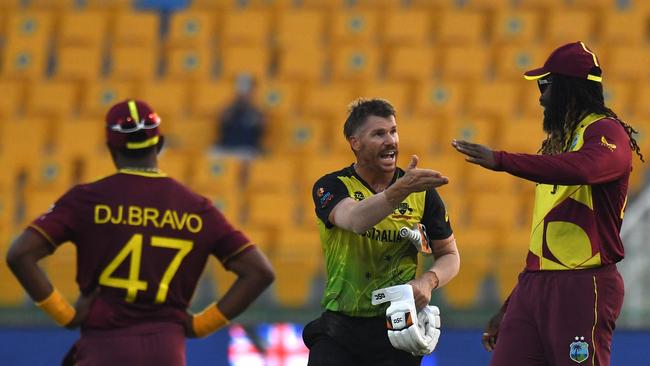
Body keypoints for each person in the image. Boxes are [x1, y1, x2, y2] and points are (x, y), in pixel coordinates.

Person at [6, 99, 275, 366]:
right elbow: (259, 272)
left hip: (103, 347)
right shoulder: (197, 209)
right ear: (159, 144)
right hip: (167, 350)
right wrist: (201, 325)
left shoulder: (86, 199)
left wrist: (65, 315)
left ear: (111, 149)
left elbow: (20, 254)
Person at [452, 41, 644, 365]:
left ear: (569, 87)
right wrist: (512, 305)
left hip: (583, 286)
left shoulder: (606, 132)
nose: (540, 96)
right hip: (535, 286)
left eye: (545, 85)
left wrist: (501, 160)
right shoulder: (559, 144)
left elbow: (585, 169)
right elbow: (547, 243)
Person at [302, 98, 460, 366]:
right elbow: (355, 220)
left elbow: (449, 255)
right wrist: (400, 190)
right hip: (340, 326)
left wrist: (428, 281)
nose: (391, 141)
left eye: (393, 131)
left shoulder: (421, 193)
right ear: (355, 142)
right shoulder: (331, 186)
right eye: (379, 134)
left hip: (397, 327)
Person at [214, 73, 266, 158]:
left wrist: (251, 107)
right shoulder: (230, 108)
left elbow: (262, 125)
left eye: (247, 92)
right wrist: (235, 104)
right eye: (241, 92)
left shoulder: (257, 111)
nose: (244, 95)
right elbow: (222, 119)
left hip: (247, 149)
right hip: (227, 147)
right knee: (213, 156)